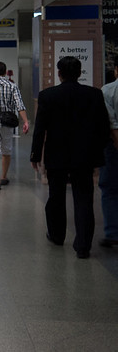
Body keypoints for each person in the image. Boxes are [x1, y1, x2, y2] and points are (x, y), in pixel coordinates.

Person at [30, 56, 110, 259]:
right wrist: (98, 151)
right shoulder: (94, 94)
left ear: (59, 73)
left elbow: (40, 128)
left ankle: (57, 235)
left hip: (56, 154)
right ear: (79, 73)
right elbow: (103, 127)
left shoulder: (48, 95)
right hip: (84, 155)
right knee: (84, 199)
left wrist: (35, 154)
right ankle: (83, 246)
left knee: (56, 196)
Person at [0, 61, 30, 189]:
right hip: (7, 123)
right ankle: (4, 177)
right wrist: (25, 121)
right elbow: (20, 105)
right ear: (6, 71)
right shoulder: (12, 85)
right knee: (6, 150)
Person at [100, 57, 118, 247]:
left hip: (113, 148)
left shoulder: (107, 91)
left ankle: (113, 232)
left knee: (110, 189)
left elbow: (112, 124)